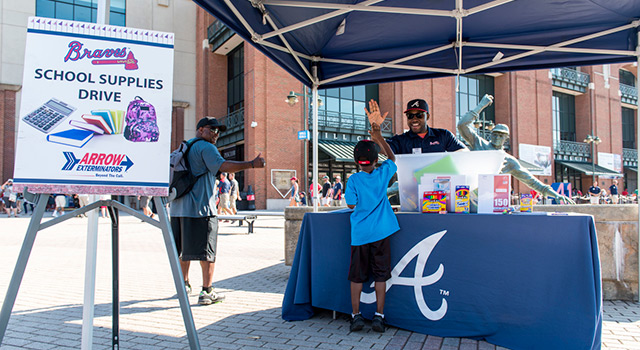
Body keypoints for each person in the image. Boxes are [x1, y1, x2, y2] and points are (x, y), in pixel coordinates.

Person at [170, 116, 265, 305]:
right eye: (211, 129)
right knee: (207, 252)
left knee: (182, 251)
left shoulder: (186, 146)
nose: (216, 134)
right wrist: (252, 164)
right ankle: (207, 291)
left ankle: (183, 284)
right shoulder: (206, 147)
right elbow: (223, 166)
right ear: (200, 130)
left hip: (177, 209)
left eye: (218, 131)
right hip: (200, 209)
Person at [457, 94, 574, 204]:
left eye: (501, 135)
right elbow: (462, 125)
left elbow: (532, 182)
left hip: (492, 201)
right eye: (495, 134)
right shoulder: (479, 144)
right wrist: (481, 105)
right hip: (469, 197)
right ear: (491, 135)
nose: (497, 137)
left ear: (506, 139)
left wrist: (555, 195)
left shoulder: (509, 161)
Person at [344, 116, 399, 333]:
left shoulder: (354, 180)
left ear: (358, 161)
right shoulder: (383, 174)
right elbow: (393, 159)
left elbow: (350, 204)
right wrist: (379, 138)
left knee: (357, 276)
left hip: (360, 234)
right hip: (382, 233)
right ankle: (379, 315)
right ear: (376, 161)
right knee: (381, 276)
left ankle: (356, 315)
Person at [367, 99, 467, 155]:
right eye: (410, 116)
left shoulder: (443, 135)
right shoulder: (400, 140)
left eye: (419, 115)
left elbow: (464, 152)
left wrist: (445, 160)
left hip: (438, 188)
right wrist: (376, 128)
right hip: (410, 190)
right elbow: (379, 149)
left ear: (427, 116)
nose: (414, 119)